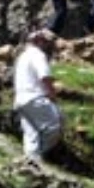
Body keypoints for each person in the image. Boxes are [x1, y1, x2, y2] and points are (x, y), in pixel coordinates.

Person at [12, 29, 65, 163]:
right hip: (34, 98)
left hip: (20, 100)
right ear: (39, 41)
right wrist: (52, 95)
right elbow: (45, 77)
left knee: (31, 133)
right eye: (47, 42)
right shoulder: (38, 54)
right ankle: (37, 156)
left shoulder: (23, 56)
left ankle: (32, 162)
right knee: (55, 124)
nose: (48, 46)